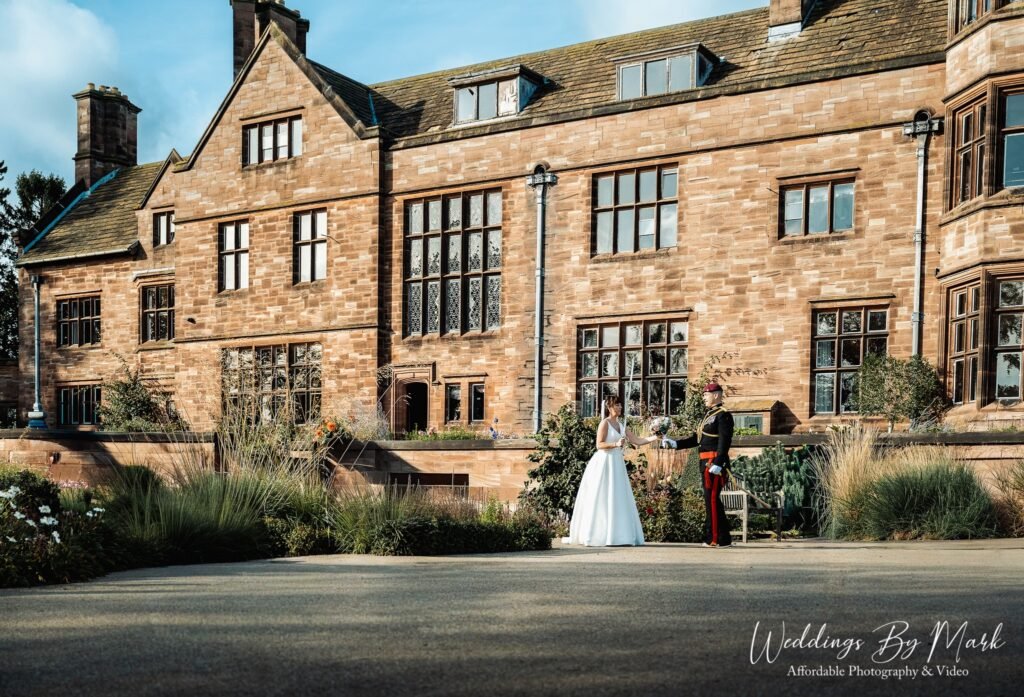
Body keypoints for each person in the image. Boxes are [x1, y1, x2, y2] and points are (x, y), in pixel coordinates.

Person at [564, 395, 659, 546]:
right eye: (617, 405)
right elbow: (599, 444)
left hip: (616, 463)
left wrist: (656, 437)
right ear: (609, 407)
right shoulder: (605, 423)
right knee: (602, 495)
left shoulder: (622, 425)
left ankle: (617, 535)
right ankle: (598, 534)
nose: (620, 407)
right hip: (604, 462)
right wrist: (615, 444)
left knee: (617, 495)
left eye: (620, 405)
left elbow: (637, 440)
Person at [661, 383, 734, 547]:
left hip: (713, 463)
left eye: (706, 395)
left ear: (716, 395)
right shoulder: (708, 415)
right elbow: (697, 439)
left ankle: (714, 538)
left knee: (712, 500)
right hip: (705, 462)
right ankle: (723, 538)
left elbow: (725, 440)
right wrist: (675, 443)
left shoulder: (723, 415)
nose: (704, 398)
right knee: (711, 500)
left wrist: (719, 462)